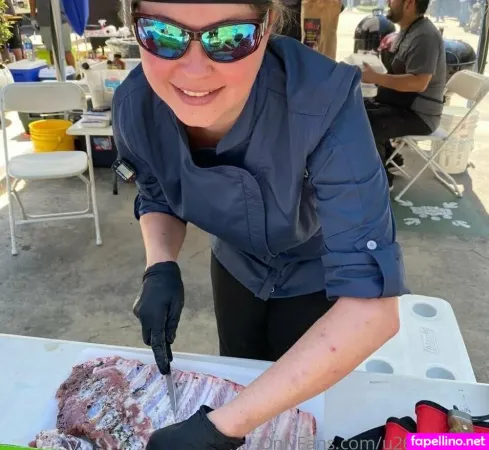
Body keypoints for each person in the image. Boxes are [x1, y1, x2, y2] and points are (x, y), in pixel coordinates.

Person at [112, 0, 408, 448]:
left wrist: (220, 428)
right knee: (238, 370)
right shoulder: (136, 104)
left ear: (267, 27)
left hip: (319, 277)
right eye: (163, 34)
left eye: (229, 38)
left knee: (302, 410)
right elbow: (155, 190)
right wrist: (160, 264)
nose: (194, 71)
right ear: (134, 27)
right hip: (235, 266)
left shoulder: (322, 101)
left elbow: (371, 309)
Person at [361, 0, 446, 190]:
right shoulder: (409, 30)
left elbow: (419, 82)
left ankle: (381, 183)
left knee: (368, 123)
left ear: (409, 3)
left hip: (420, 115)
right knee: (357, 108)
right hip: (402, 105)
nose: (388, 2)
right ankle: (390, 158)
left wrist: (376, 77)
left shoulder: (425, 36)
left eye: (393, 0)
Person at [29, 0, 76, 67]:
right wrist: (33, 18)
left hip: (61, 20)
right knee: (52, 50)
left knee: (66, 50)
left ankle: (73, 72)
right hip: (45, 22)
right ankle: (55, 71)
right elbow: (32, 2)